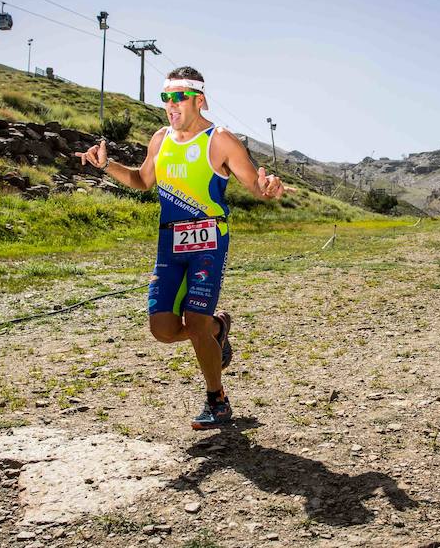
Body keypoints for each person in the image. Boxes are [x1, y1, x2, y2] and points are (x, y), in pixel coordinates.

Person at [75, 66, 289, 430]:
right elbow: (143, 180)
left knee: (195, 321)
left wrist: (268, 187)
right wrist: (107, 164)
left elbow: (255, 184)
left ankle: (216, 400)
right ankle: (218, 332)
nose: (170, 105)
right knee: (161, 329)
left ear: (199, 99)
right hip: (170, 242)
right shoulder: (160, 139)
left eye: (178, 97)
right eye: (165, 97)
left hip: (209, 241)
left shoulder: (219, 139)